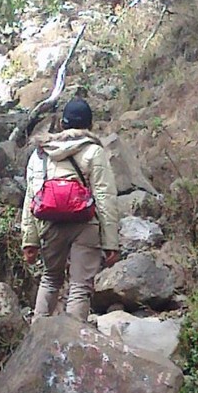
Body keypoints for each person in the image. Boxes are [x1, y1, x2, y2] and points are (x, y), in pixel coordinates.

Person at [21, 98, 120, 322]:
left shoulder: (40, 153)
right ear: (89, 124)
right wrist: (111, 242)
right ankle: (74, 343)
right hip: (85, 225)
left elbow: (31, 197)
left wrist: (30, 240)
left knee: (50, 279)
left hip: (50, 224)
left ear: (62, 124)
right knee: (79, 287)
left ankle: (36, 336)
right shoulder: (94, 151)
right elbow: (104, 197)